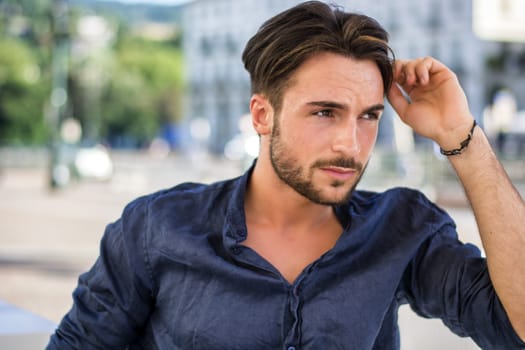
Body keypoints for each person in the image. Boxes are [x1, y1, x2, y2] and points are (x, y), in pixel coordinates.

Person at [47, 1, 525, 349]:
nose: (350, 143)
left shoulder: (402, 229)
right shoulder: (157, 228)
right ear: (262, 115)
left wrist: (461, 135)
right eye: (324, 112)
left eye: (368, 116)